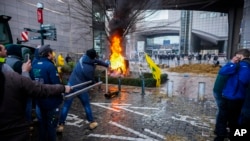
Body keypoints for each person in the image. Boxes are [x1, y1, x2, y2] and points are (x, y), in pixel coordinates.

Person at [0, 61, 71, 141]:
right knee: (51, 126)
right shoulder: (11, 78)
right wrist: (62, 88)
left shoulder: (35, 65)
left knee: (42, 124)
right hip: (17, 133)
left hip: (39, 105)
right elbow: (38, 89)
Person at [57, 49, 109, 132]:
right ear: (93, 57)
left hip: (71, 84)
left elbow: (96, 61)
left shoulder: (83, 58)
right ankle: (92, 122)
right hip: (81, 88)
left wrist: (106, 64)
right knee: (86, 105)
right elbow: (91, 80)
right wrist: (95, 83)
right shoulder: (89, 68)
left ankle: (60, 125)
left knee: (66, 105)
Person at [216, 49, 250, 141]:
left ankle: (221, 136)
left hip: (231, 97)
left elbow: (222, 71)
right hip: (241, 98)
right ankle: (234, 136)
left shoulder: (239, 66)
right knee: (235, 119)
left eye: (236, 55)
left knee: (225, 118)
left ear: (240, 56)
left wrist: (232, 63)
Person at [32, 44, 63, 141]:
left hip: (40, 102)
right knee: (51, 127)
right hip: (51, 103)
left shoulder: (34, 65)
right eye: (52, 53)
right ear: (48, 54)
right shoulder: (50, 66)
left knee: (42, 126)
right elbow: (56, 84)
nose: (53, 55)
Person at [213, 55, 240, 141]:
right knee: (223, 112)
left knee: (221, 112)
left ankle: (219, 131)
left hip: (218, 91)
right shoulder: (232, 68)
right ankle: (220, 132)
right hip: (222, 93)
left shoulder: (228, 65)